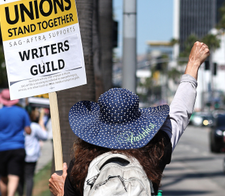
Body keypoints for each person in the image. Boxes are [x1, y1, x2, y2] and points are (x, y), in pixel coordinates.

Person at [49, 41, 210, 196]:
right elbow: (179, 114)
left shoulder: (80, 167)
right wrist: (193, 63)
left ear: (96, 126)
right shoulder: (154, 152)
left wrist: (61, 193)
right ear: (138, 122)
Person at [0, 89, 31, 196]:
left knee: (3, 177)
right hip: (17, 147)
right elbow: (28, 130)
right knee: (14, 175)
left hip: (1, 147)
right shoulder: (22, 112)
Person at [18, 108, 48, 196]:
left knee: (21, 177)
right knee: (29, 177)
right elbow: (45, 136)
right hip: (31, 155)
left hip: (21, 154)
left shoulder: (20, 125)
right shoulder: (34, 126)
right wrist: (42, 125)